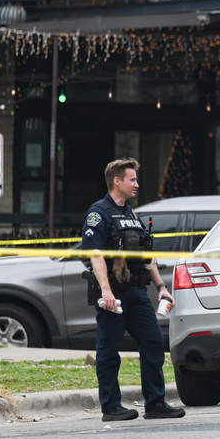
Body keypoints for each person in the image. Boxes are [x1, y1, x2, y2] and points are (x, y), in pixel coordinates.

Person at [82, 157, 185, 422]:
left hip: (138, 292)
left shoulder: (132, 214)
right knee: (109, 351)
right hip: (113, 293)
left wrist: (161, 287)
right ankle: (111, 407)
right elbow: (95, 255)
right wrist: (106, 292)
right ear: (117, 181)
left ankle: (155, 404)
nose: (137, 184)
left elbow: (146, 256)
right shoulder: (98, 213)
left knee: (152, 343)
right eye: (132, 179)